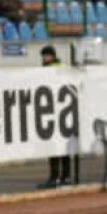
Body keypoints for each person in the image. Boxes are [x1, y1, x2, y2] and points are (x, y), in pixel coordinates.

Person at [39, 45, 71, 188]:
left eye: (46, 56)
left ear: (52, 56)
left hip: (62, 112)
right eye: (44, 56)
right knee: (52, 147)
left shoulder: (60, 67)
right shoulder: (43, 69)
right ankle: (54, 176)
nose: (45, 58)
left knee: (64, 147)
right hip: (50, 112)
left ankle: (64, 176)